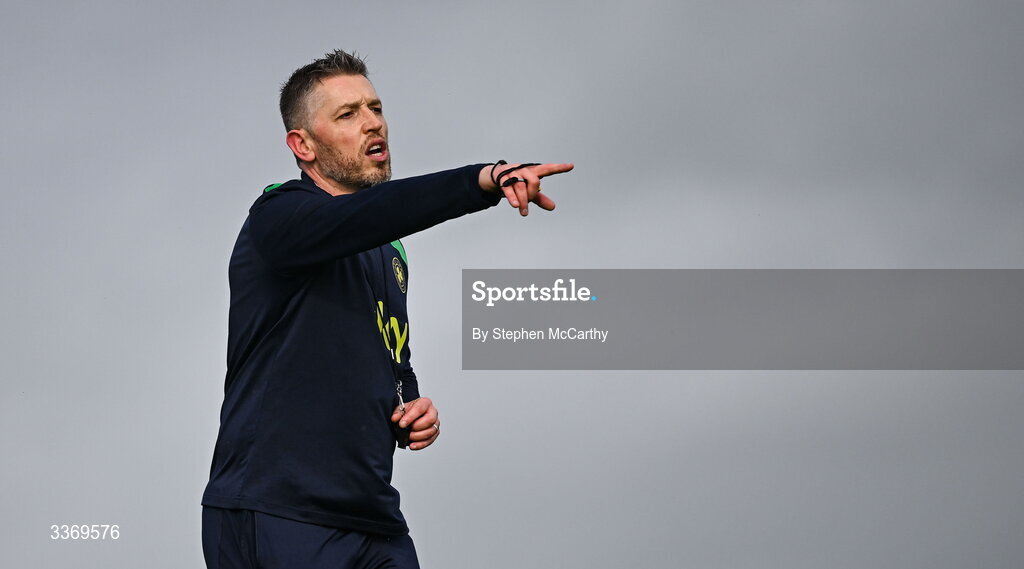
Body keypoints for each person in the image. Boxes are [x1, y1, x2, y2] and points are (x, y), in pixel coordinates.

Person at [200, 49, 573, 569]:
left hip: (374, 522)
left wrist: (411, 409)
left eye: (375, 107)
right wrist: (480, 179)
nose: (373, 122)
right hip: (278, 512)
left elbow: (391, 361)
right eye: (347, 114)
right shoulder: (278, 217)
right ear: (301, 144)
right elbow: (373, 213)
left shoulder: (388, 251)